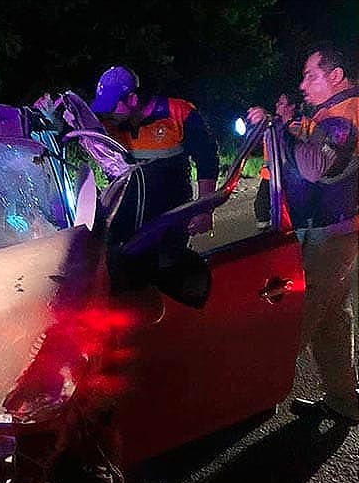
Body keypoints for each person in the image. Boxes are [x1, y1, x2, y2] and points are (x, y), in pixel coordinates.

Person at [248, 42, 359, 424]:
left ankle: (246, 398)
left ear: (335, 76)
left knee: (298, 316)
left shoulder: (345, 116)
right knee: (332, 318)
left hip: (332, 232)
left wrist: (277, 129)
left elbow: (313, 168)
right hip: (334, 228)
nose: (303, 83)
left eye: (310, 75)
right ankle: (344, 398)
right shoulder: (329, 113)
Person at [90, 65, 219, 237]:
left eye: (112, 107)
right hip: (126, 220)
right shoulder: (110, 123)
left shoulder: (178, 113)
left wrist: (204, 211)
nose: (106, 113)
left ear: (133, 99)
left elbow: (207, 161)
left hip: (170, 217)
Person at [254, 93, 301, 229]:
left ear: (291, 107)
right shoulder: (275, 124)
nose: (276, 105)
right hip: (270, 174)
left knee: (282, 209)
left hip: (283, 176)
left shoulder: (296, 126)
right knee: (261, 206)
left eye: (281, 103)